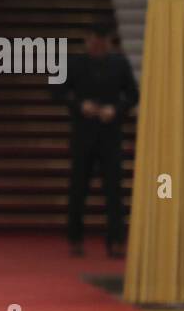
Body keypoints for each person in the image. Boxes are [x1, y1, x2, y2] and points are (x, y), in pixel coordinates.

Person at [55, 24, 137, 257]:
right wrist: (80, 105)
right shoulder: (73, 63)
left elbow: (133, 94)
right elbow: (56, 91)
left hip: (110, 134)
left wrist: (116, 109)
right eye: (93, 40)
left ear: (109, 43)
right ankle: (75, 238)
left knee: (114, 190)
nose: (98, 45)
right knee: (78, 188)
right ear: (87, 41)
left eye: (102, 41)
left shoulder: (119, 64)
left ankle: (116, 240)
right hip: (83, 133)